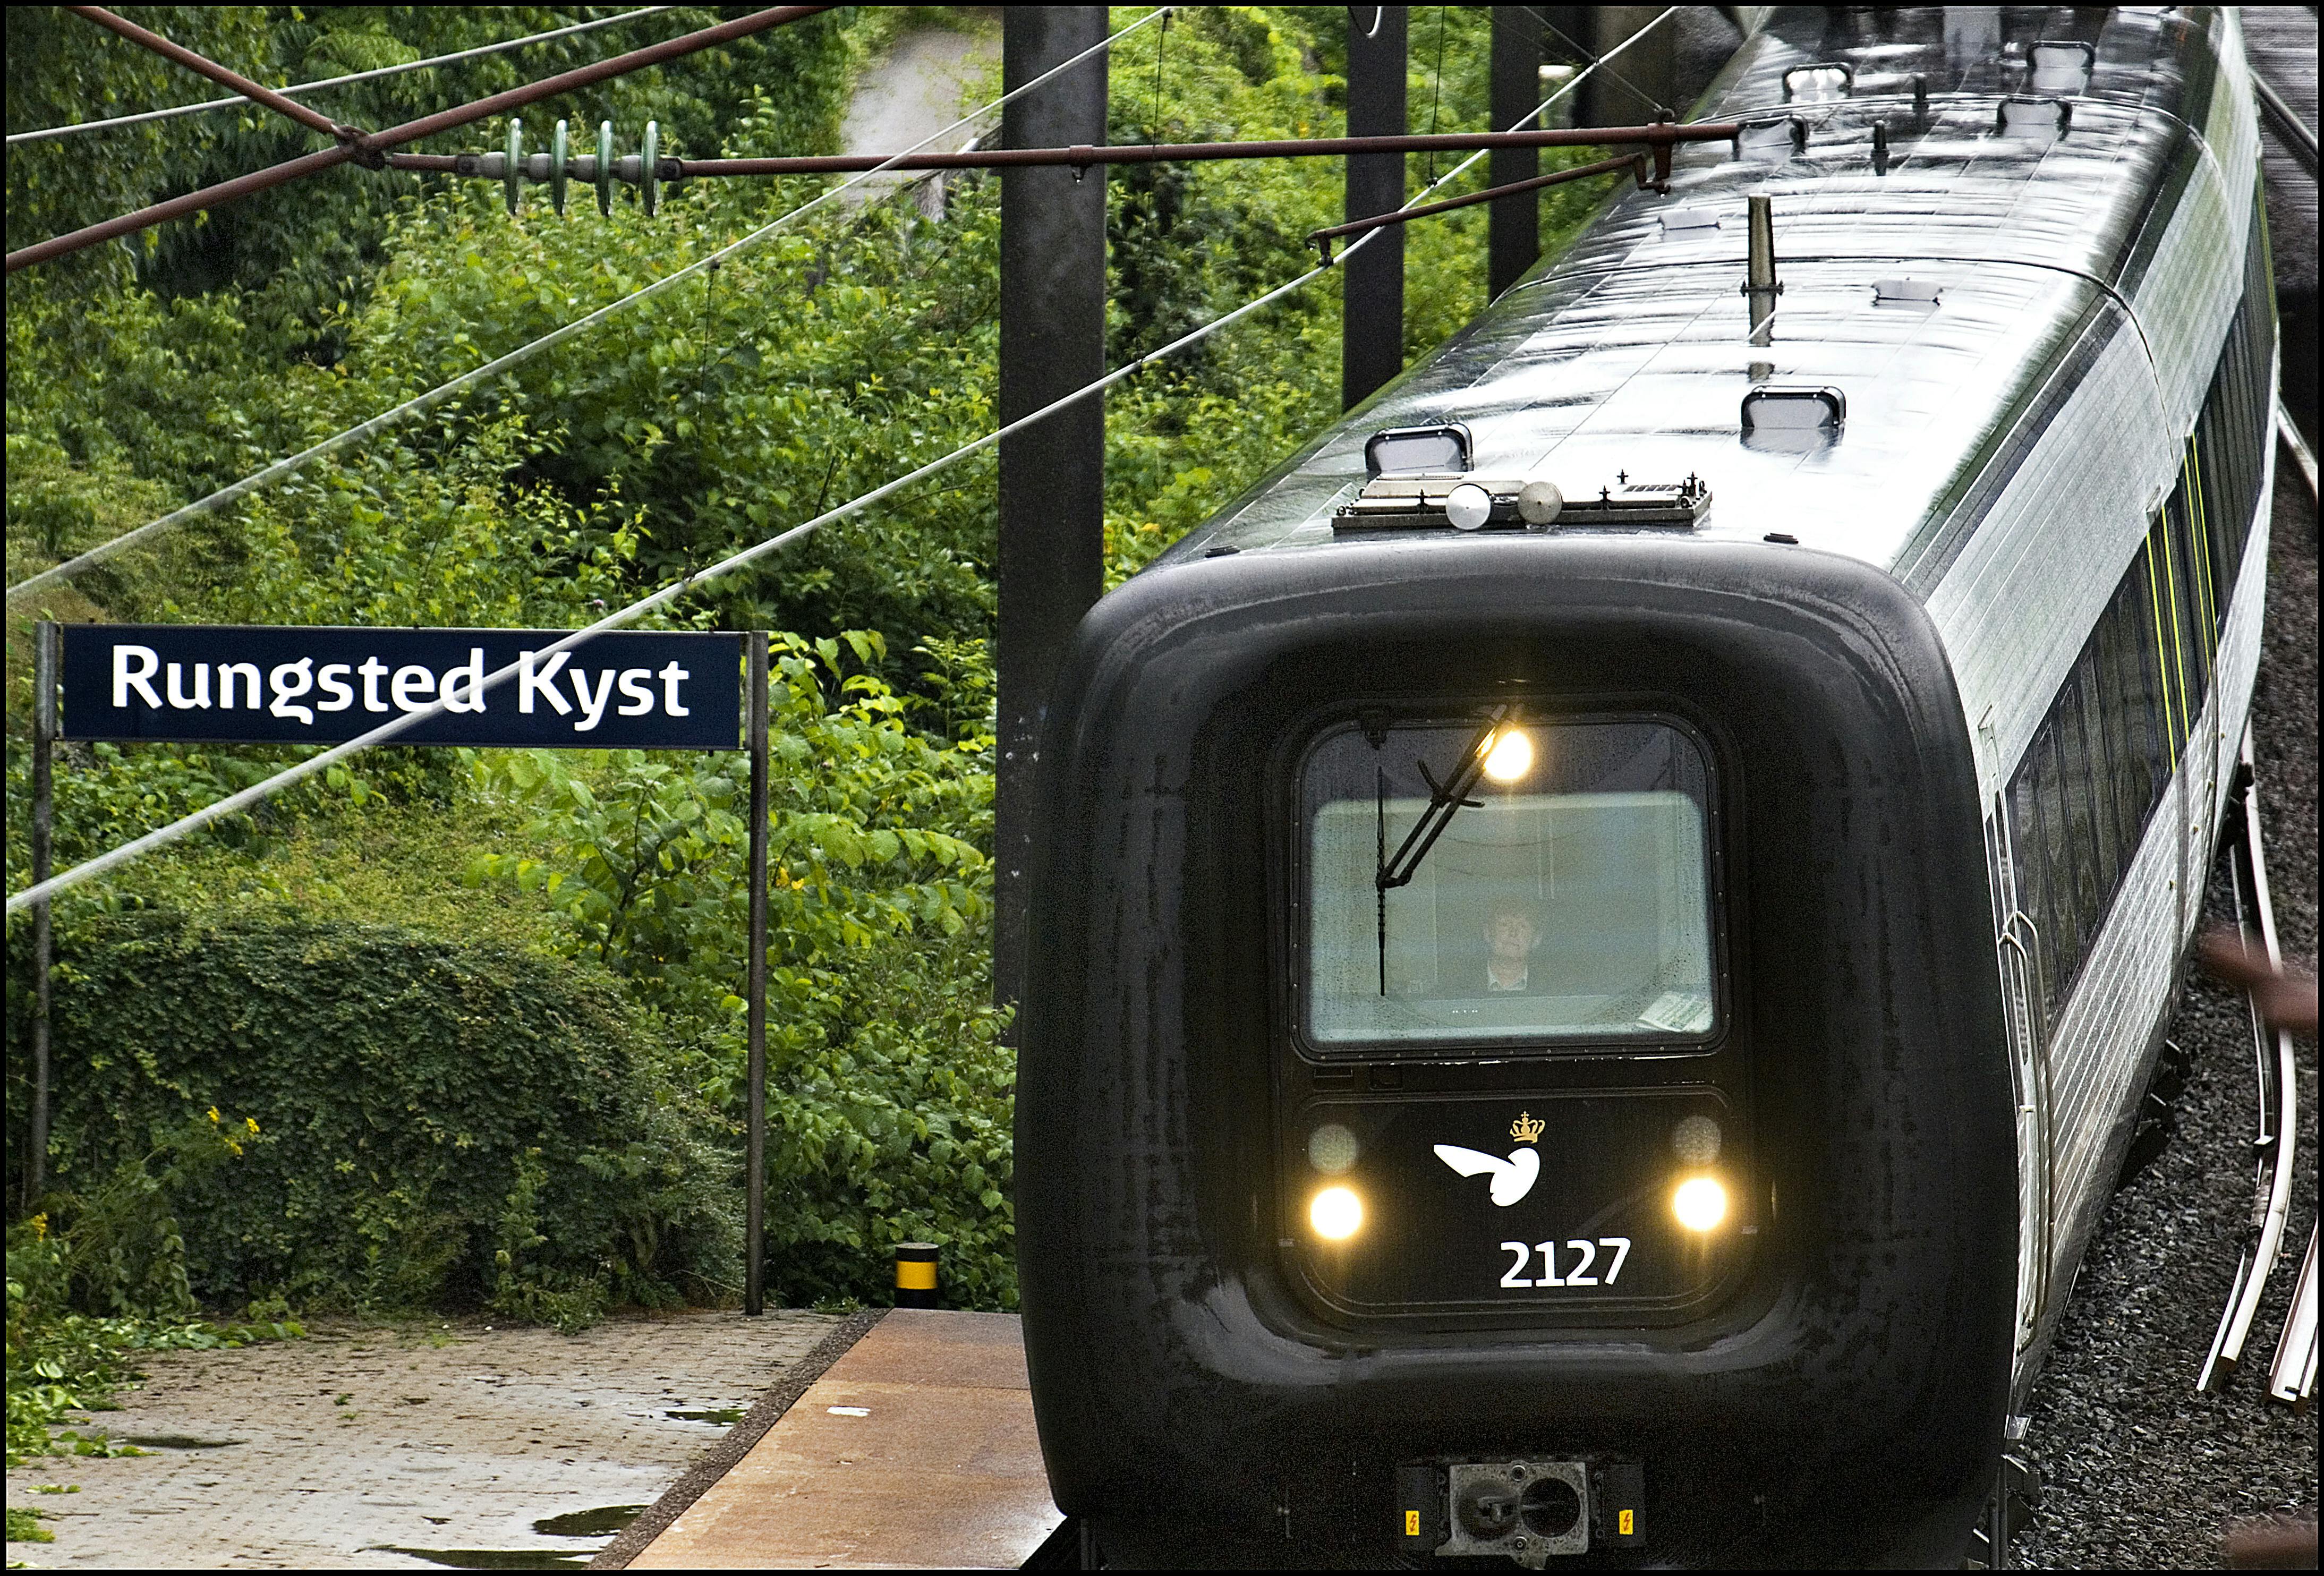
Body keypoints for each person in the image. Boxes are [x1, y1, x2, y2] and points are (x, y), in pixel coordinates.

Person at [1483, 899, 1543, 993]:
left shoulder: (1553, 987)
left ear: (1537, 939)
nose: (1513, 933)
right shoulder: (1458, 984)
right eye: (1504, 925)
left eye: (1523, 926)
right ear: (1487, 933)